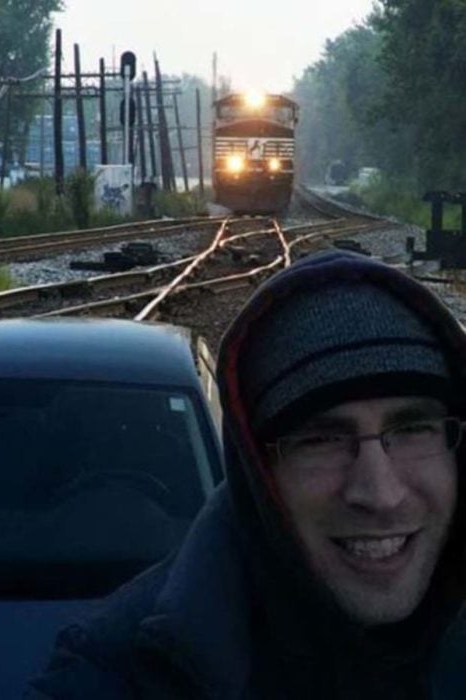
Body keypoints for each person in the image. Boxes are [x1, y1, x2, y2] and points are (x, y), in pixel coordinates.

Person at [27, 249, 466, 699]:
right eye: (321, 440)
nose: (381, 493)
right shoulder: (119, 675)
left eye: (413, 429)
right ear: (258, 475)